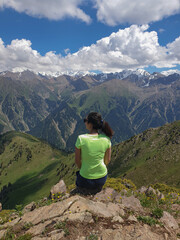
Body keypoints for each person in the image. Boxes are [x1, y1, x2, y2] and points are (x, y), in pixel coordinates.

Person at [74, 112, 114, 194]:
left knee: (78, 176)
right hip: (101, 178)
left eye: (86, 120)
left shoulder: (81, 139)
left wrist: (84, 169)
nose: (85, 122)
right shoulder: (106, 139)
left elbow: (77, 161)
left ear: (90, 124)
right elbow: (107, 160)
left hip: (85, 179)